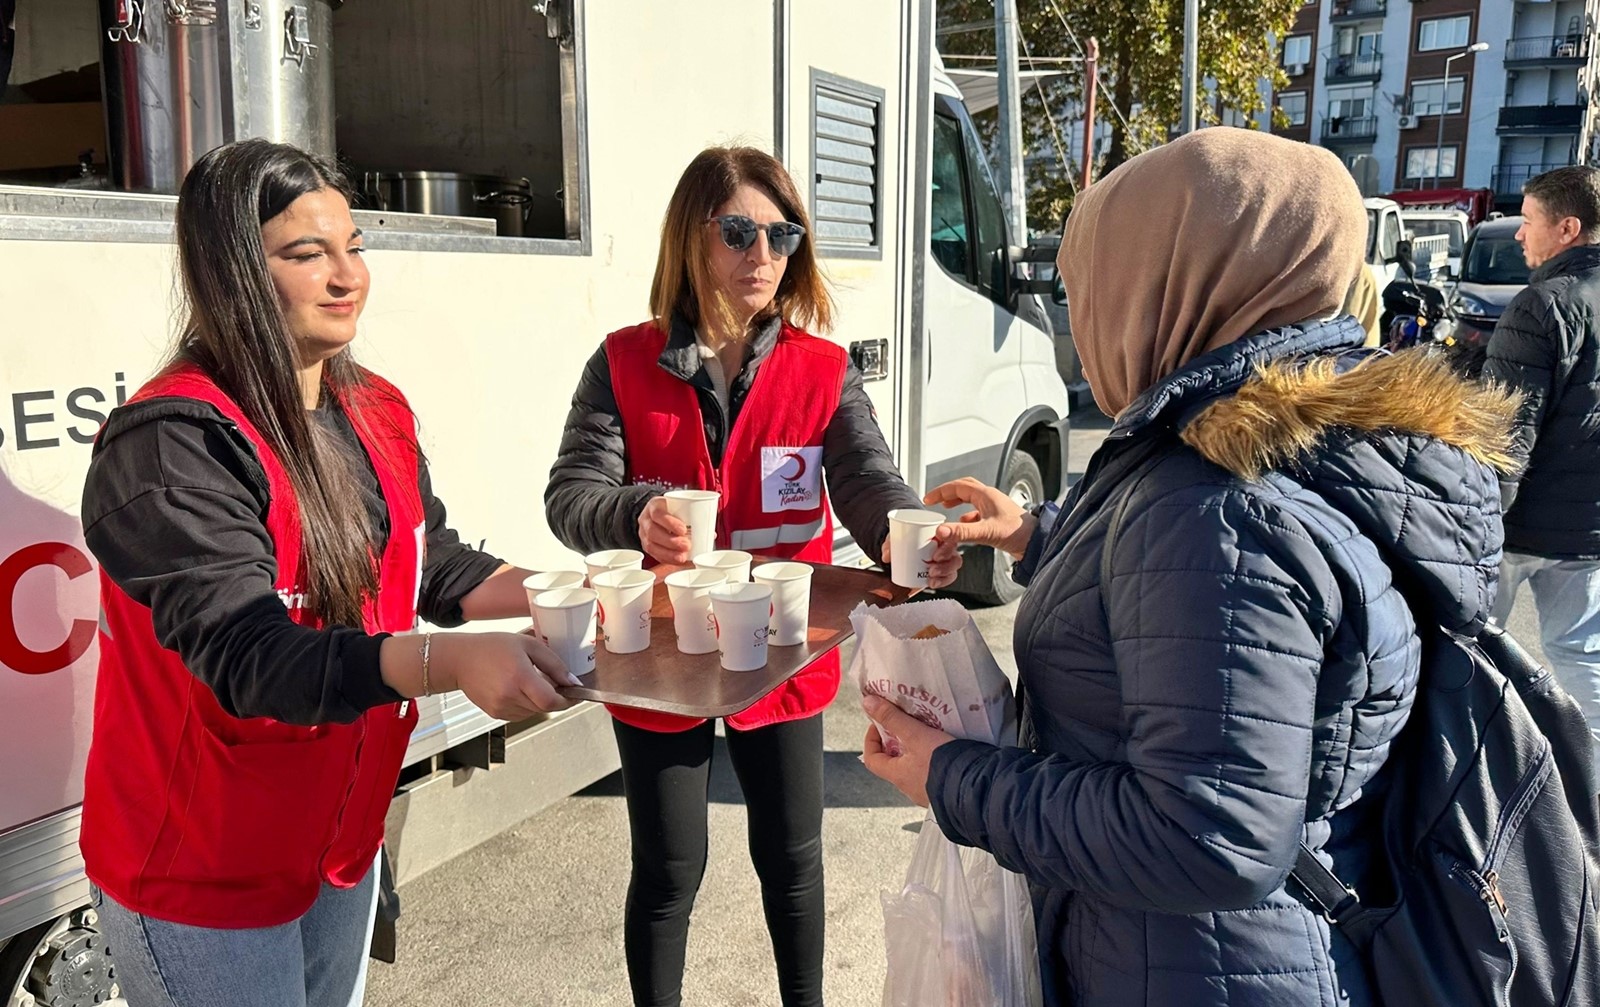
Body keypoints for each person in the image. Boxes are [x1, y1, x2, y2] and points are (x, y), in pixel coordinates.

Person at [861, 128, 1517, 1005]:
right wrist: (1032, 535)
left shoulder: (1213, 499)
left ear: (1165, 284)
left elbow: (1207, 834)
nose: (1081, 318)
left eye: (1092, 284)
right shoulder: (1297, 437)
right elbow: (1195, 615)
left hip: (1188, 970)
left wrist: (948, 778)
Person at [79, 139, 577, 1007]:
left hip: (337, 850)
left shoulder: (374, 407)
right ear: (234, 268)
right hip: (203, 875)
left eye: (353, 246)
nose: (347, 276)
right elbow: (249, 656)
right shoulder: (174, 442)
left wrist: (577, 593)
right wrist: (449, 663)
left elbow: (437, 564)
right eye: (307, 254)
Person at [544, 144, 959, 1007]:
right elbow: (571, 494)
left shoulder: (822, 370)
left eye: (781, 234)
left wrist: (901, 537)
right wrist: (636, 512)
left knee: (793, 859)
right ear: (690, 239)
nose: (762, 255)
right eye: (739, 231)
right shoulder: (622, 362)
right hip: (662, 654)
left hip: (782, 644)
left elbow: (868, 477)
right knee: (668, 867)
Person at [1484, 164, 1600, 787]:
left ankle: (1474, 781)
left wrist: (1476, 516)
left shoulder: (1543, 305)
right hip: (1589, 527)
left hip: (1518, 524)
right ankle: (1591, 788)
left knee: (1471, 651)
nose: (1519, 236)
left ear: (1568, 228)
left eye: (1528, 222)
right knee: (1584, 659)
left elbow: (1507, 433)